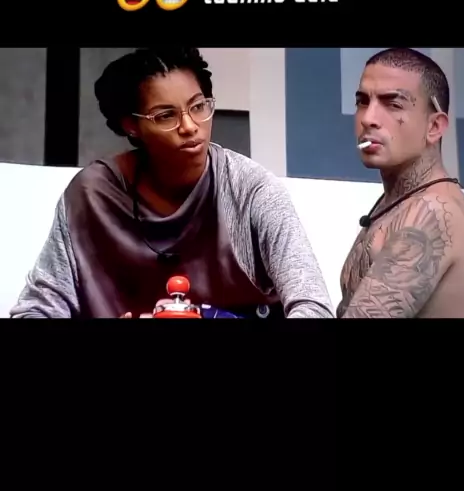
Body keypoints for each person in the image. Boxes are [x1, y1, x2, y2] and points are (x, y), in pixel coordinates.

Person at [10, 47, 333, 320]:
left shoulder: (251, 190)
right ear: (131, 126)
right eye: (166, 115)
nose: (190, 126)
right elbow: (36, 309)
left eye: (198, 106)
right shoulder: (92, 197)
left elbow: (314, 307)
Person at [337, 48, 464, 319]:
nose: (368, 118)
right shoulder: (399, 201)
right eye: (363, 101)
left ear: (434, 127)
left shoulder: (433, 213)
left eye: (393, 104)